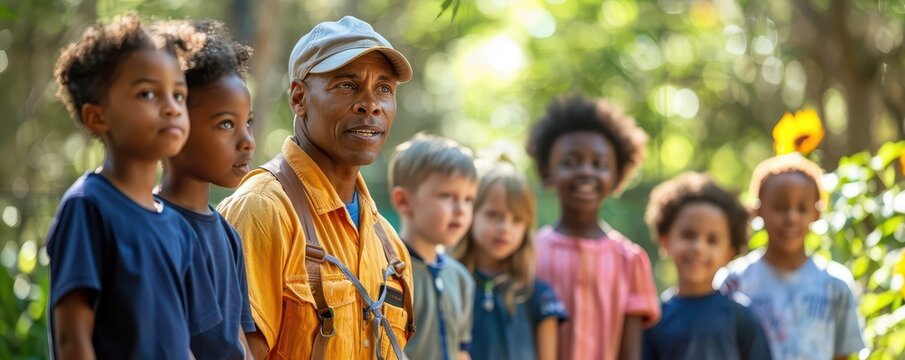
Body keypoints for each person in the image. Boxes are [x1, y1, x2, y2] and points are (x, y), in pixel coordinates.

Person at [217, 16, 415, 360]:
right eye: (348, 85)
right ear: (299, 98)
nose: (371, 104)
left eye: (384, 88)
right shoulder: (264, 210)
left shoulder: (390, 249)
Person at [47, 14, 221, 359]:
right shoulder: (87, 207)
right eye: (147, 93)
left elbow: (183, 345)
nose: (171, 107)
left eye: (178, 95)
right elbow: (71, 339)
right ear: (97, 116)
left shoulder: (178, 228)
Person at [528, 95, 659, 360]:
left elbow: (631, 353)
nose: (586, 172)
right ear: (547, 171)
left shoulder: (630, 260)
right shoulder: (529, 252)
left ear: (616, 175)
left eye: (599, 164)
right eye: (570, 162)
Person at [156, 19, 256, 359]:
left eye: (249, 122)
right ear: (175, 122)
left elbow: (239, 338)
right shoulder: (152, 226)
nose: (247, 141)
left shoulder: (229, 236)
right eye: (226, 124)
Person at [717, 154, 866, 359]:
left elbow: (842, 355)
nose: (791, 218)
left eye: (802, 208)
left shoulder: (836, 284)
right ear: (758, 210)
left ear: (817, 214)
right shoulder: (733, 282)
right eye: (779, 207)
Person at [641, 172, 771, 359]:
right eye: (688, 235)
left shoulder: (742, 318)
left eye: (712, 240)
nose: (698, 248)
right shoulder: (654, 319)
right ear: (665, 241)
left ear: (730, 252)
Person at [454, 163, 567, 360]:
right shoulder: (449, 284)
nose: (505, 228)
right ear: (471, 212)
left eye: (516, 220)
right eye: (493, 215)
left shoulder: (539, 295)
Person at [388, 134, 478, 360]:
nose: (461, 209)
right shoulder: (389, 275)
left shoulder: (461, 278)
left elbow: (461, 350)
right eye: (447, 196)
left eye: (468, 199)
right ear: (403, 201)